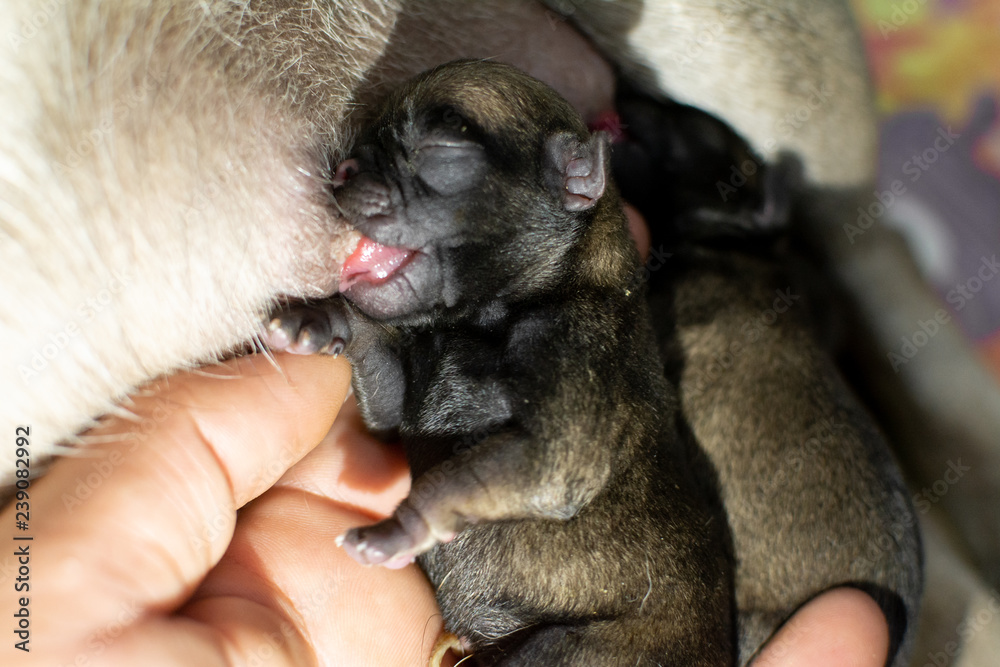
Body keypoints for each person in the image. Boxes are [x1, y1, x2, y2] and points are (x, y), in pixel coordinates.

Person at [1, 351, 889, 666]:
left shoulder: (35, 616)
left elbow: (194, 440)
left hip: (393, 489)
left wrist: (346, 344)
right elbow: (194, 439)